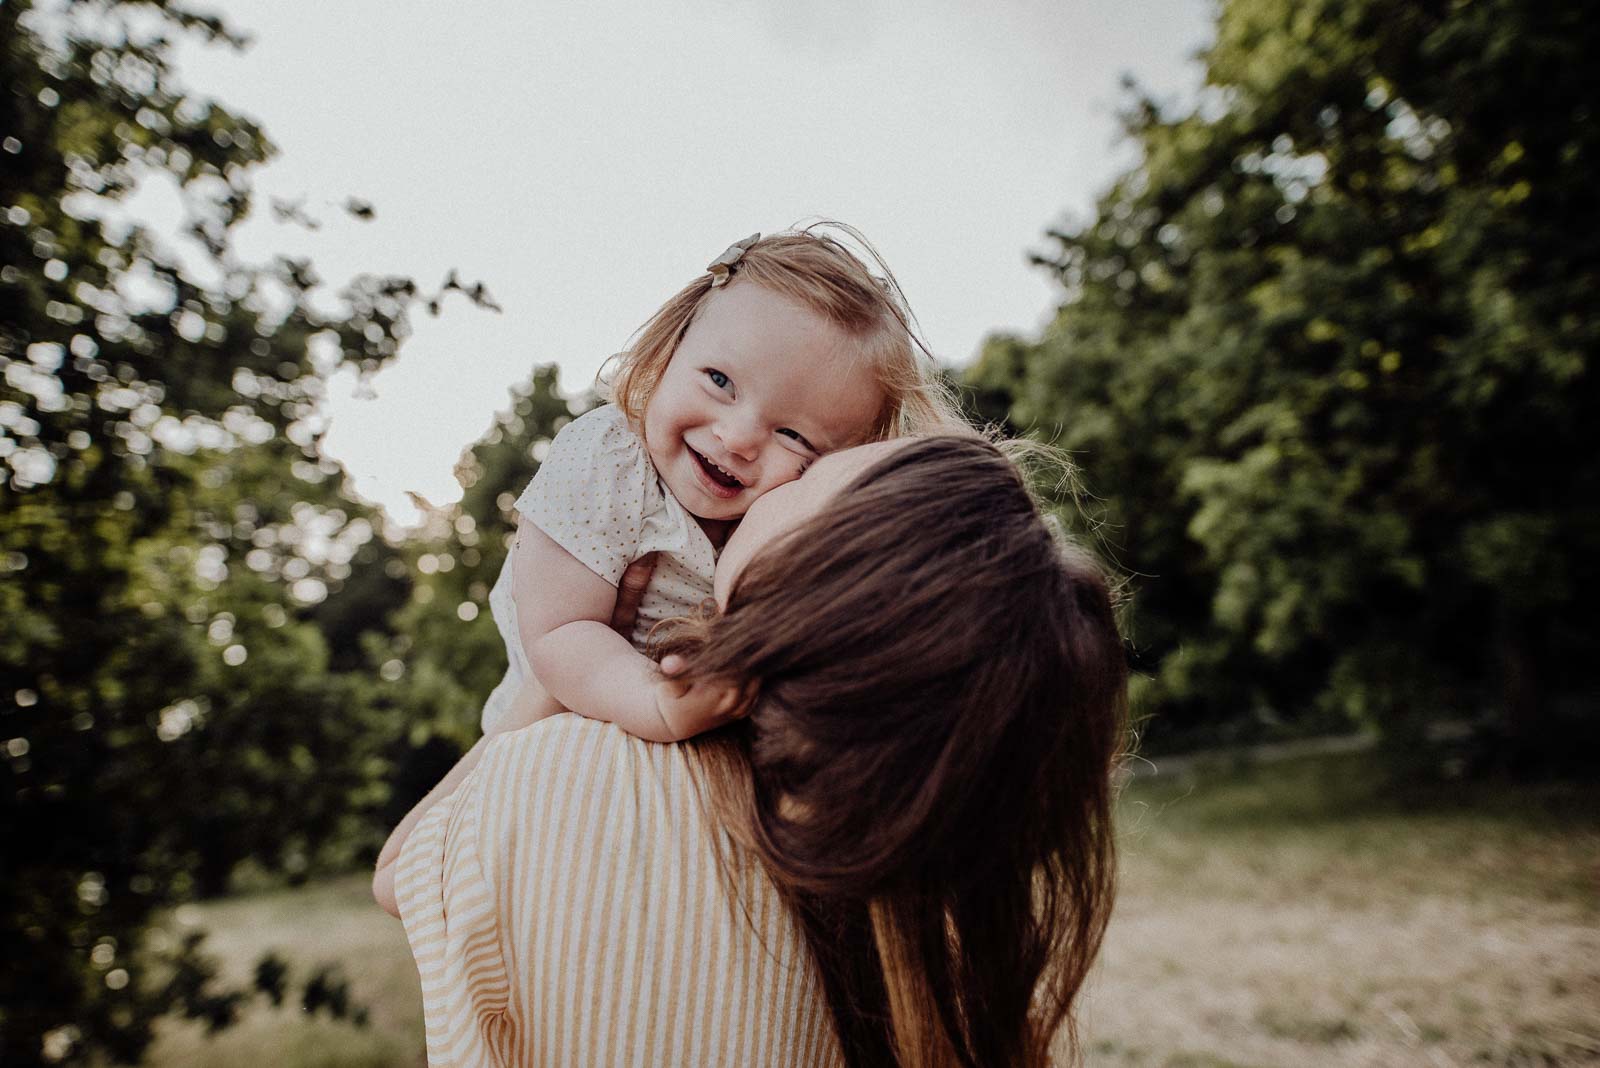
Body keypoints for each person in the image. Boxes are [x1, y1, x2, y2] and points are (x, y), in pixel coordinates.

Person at [376, 434, 1129, 1067]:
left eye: (810, 474)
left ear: (820, 573)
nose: (764, 490)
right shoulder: (936, 909)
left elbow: (398, 878)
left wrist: (560, 672)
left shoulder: (568, 776)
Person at [479, 222, 964, 744]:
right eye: (719, 381)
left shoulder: (795, 516)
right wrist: (653, 699)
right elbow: (560, 634)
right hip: (553, 720)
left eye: (794, 435)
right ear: (669, 348)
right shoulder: (607, 459)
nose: (736, 439)